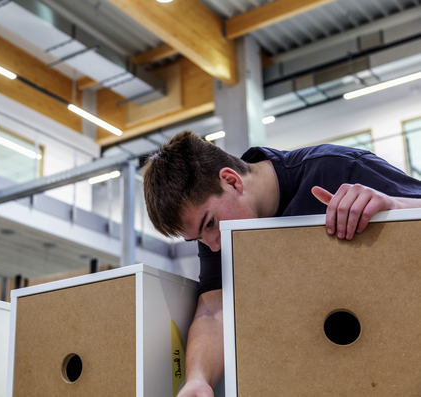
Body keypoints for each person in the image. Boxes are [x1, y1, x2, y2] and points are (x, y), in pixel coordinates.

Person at [143, 130, 421, 397]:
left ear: (231, 180)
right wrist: (198, 380)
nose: (213, 245)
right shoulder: (217, 235)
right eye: (198, 239)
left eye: (209, 224)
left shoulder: (339, 169)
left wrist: (394, 209)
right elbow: (214, 313)